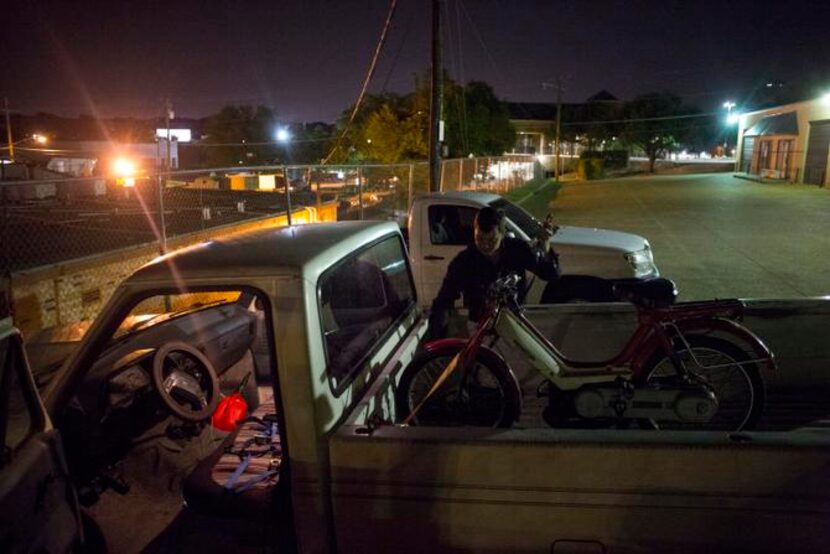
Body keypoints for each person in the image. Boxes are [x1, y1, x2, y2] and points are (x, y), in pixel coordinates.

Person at [426, 206, 560, 340]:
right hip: (480, 327)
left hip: (514, 323)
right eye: (480, 238)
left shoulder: (516, 250)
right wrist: (436, 342)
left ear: (502, 234)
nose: (485, 245)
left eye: (491, 240)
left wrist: (546, 249)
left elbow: (551, 274)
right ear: (474, 231)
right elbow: (443, 301)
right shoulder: (465, 261)